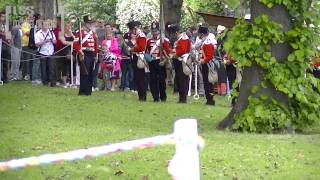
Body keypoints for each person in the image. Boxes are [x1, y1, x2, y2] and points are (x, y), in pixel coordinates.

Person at [73, 15, 98, 96]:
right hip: (84, 54)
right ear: (85, 23)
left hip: (91, 54)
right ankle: (82, 91)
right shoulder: (80, 32)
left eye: (91, 23)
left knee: (90, 72)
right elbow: (76, 43)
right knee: (84, 73)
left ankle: (88, 91)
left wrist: (96, 55)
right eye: (88, 23)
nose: (90, 25)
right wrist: (80, 52)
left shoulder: (93, 33)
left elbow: (96, 45)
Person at [146, 22, 171, 102]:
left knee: (161, 81)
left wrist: (164, 61)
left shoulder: (164, 40)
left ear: (159, 31)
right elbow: (147, 52)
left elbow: (168, 53)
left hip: (161, 62)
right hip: (152, 62)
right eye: (153, 31)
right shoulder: (149, 41)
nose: (154, 33)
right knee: (153, 80)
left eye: (156, 31)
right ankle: (155, 97)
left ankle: (163, 97)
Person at [168, 24, 191, 103]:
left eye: (173, 33)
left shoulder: (183, 38)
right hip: (178, 61)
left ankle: (183, 98)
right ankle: (181, 98)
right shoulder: (179, 38)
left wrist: (175, 55)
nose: (173, 35)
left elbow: (183, 50)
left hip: (182, 61)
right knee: (179, 79)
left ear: (176, 32)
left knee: (183, 80)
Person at [128, 21, 147, 101]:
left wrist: (131, 49)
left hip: (140, 57)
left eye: (131, 30)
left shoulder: (141, 35)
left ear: (135, 29)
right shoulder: (138, 35)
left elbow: (141, 48)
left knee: (141, 77)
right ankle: (141, 95)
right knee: (138, 77)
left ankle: (142, 96)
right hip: (136, 56)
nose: (131, 32)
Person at [35, 19, 57, 87]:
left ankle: (52, 82)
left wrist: (53, 41)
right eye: (44, 24)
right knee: (43, 69)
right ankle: (45, 82)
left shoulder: (51, 32)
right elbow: (37, 44)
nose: (46, 26)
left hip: (51, 52)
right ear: (42, 25)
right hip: (42, 52)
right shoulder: (38, 33)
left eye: (47, 25)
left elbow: (55, 41)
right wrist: (45, 41)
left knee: (52, 68)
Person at [197, 24, 215, 105]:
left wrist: (202, 61)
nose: (198, 35)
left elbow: (209, 56)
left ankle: (210, 100)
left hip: (207, 65)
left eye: (199, 33)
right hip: (204, 64)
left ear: (202, 34)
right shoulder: (204, 42)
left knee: (208, 83)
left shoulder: (207, 42)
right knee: (206, 82)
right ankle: (209, 99)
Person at [59, 22, 75, 87]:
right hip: (64, 53)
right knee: (64, 67)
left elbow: (76, 40)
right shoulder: (62, 34)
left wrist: (71, 34)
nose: (68, 28)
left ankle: (72, 82)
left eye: (69, 27)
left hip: (72, 52)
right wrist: (72, 42)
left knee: (73, 67)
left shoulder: (72, 34)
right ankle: (64, 83)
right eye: (67, 26)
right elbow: (64, 42)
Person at [29, 13, 41, 85]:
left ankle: (38, 78)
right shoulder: (34, 27)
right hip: (35, 47)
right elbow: (33, 37)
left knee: (37, 62)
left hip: (39, 47)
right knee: (36, 63)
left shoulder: (35, 27)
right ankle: (34, 78)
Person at [21, 15, 32, 81]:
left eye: (31, 18)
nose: (31, 19)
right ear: (26, 18)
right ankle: (25, 75)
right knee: (26, 61)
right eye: (29, 17)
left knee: (30, 61)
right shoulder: (25, 24)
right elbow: (27, 33)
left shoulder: (31, 25)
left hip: (32, 45)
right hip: (25, 45)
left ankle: (29, 75)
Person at [53, 16, 63, 84]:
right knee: (56, 65)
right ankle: (57, 78)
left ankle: (63, 78)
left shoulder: (63, 30)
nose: (57, 22)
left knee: (62, 65)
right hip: (55, 50)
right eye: (56, 21)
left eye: (58, 21)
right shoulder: (53, 30)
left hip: (63, 49)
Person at [0, 12, 10, 83]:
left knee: (6, 62)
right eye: (2, 17)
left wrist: (9, 37)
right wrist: (4, 33)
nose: (3, 18)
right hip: (0, 45)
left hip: (6, 45)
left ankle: (5, 78)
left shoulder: (6, 25)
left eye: (4, 17)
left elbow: (8, 35)